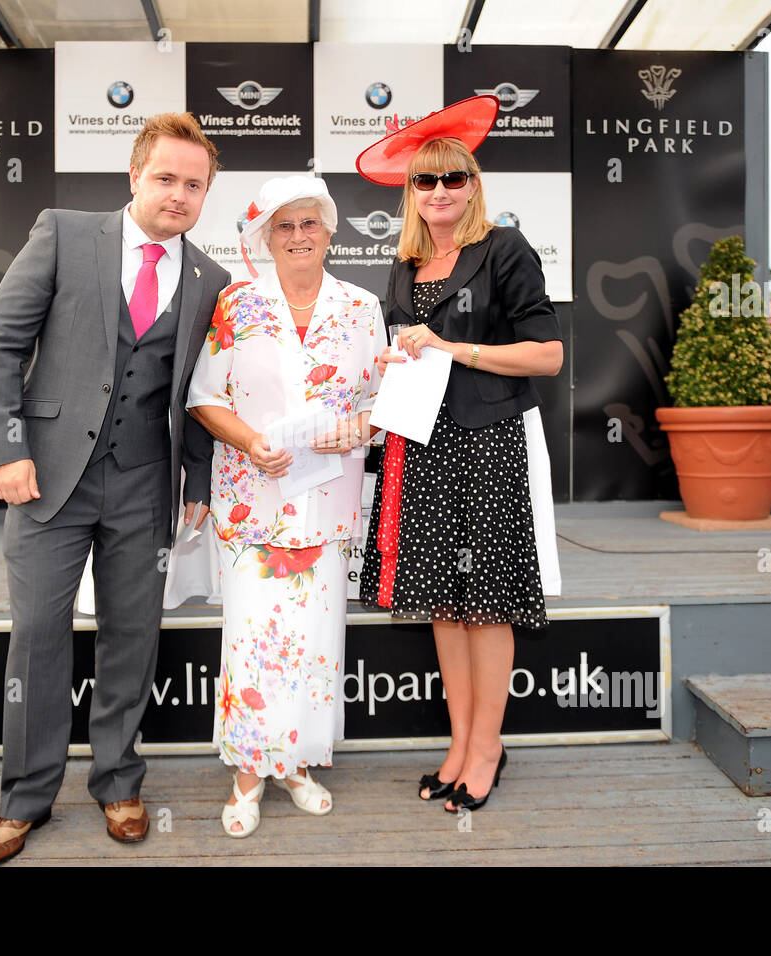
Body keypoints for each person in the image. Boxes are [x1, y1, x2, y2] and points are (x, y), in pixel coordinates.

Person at [0, 113, 229, 863]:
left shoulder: (211, 277)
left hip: (146, 484)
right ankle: (24, 800)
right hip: (47, 479)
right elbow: (0, 343)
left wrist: (200, 477)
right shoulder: (63, 232)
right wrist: (6, 451)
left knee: (131, 638)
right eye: (166, 178)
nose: (178, 195)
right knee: (38, 638)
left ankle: (118, 781)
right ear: (134, 175)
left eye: (194, 184)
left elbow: (202, 389)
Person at [354, 97, 564, 814]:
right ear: (410, 193)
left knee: (489, 604)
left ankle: (487, 748)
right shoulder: (405, 262)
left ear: (472, 185)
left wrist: (454, 347)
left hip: (488, 440)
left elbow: (548, 355)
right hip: (424, 445)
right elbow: (403, 353)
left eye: (452, 178)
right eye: (425, 181)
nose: (439, 191)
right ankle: (459, 742)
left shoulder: (504, 250)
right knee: (446, 603)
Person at [186, 176, 386, 837]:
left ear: (330, 231)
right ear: (265, 238)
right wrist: (250, 441)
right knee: (253, 640)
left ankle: (297, 762)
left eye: (310, 223)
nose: (298, 236)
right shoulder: (236, 305)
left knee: (314, 643)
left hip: (326, 505)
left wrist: (363, 426)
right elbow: (204, 397)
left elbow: (381, 407)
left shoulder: (361, 307)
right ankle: (248, 774)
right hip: (253, 501)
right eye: (284, 226)